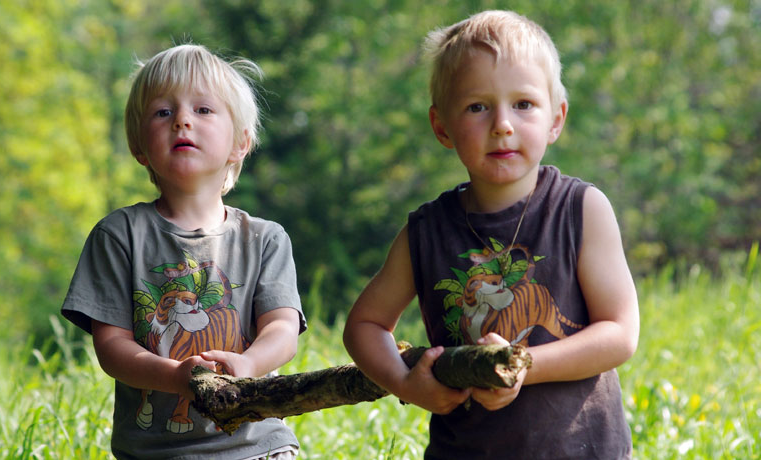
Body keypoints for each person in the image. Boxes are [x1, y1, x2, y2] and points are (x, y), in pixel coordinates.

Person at [343, 10, 639, 459]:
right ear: (442, 126)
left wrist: (524, 366)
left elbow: (619, 333)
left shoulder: (580, 210)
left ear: (555, 119)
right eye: (478, 106)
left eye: (523, 104)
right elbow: (363, 326)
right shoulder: (426, 232)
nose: (502, 124)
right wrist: (407, 384)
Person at [62, 44, 306, 460]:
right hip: (156, 451)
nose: (182, 121)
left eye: (204, 110)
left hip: (258, 447)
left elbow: (282, 330)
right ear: (139, 146)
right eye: (162, 112)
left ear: (240, 143)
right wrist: (175, 376)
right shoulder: (119, 235)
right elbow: (112, 346)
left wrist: (247, 365)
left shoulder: (265, 239)